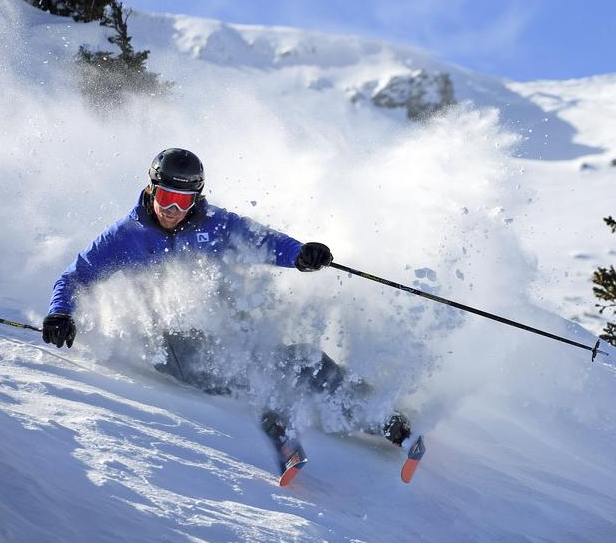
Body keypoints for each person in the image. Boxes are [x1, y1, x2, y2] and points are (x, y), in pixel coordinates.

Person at [42, 148, 411, 463]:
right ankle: (269, 403)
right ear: (151, 189)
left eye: (183, 201)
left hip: (221, 326)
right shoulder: (126, 236)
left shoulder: (215, 225)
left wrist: (300, 254)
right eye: (166, 196)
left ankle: (378, 415)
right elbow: (75, 276)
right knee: (206, 354)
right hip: (168, 343)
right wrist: (61, 312)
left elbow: (262, 241)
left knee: (300, 360)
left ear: (197, 199)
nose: (172, 209)